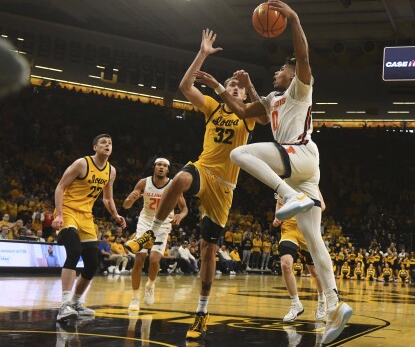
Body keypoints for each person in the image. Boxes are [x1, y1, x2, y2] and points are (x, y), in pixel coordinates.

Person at [193, 0, 352, 345]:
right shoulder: (271, 98)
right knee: (314, 239)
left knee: (239, 153)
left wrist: (293, 18)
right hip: (303, 168)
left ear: (293, 76)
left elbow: (303, 57)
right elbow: (244, 110)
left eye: (282, 68)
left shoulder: (300, 87)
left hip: (300, 155)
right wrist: (219, 88)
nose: (278, 71)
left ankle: (287, 194)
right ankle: (336, 303)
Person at [125, 29, 267, 341]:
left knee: (207, 253)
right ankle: (151, 231)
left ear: (240, 95)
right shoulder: (213, 109)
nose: (233, 88)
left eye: (236, 88)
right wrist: (202, 53)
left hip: (224, 186)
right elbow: (185, 86)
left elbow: (266, 114)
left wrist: (248, 85)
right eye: (230, 84)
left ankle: (201, 312)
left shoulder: (247, 116)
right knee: (180, 178)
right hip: (203, 168)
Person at [52, 134, 126, 321]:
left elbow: (107, 198)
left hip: (86, 216)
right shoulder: (81, 164)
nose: (107, 145)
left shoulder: (111, 171)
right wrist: (59, 214)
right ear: (94, 147)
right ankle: (64, 305)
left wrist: (115, 215)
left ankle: (76, 303)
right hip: (68, 211)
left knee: (92, 263)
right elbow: (60, 187)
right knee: (74, 251)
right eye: (103, 142)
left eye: (110, 143)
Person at [123, 157, 188, 311]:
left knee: (153, 260)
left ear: (168, 170)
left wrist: (180, 216)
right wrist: (130, 200)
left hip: (163, 225)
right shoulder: (143, 183)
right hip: (145, 223)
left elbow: (184, 209)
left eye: (164, 166)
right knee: (139, 259)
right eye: (159, 165)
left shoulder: (173, 185)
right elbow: (126, 205)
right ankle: (134, 297)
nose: (161, 167)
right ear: (154, 167)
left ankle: (150, 285)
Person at [272, 193, 326, 323]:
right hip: (289, 230)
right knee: (285, 264)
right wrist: (277, 217)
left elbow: (322, 206)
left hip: (306, 229)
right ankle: (296, 304)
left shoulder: (310, 180)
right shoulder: (283, 183)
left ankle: (322, 301)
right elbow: (279, 204)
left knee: (314, 271)